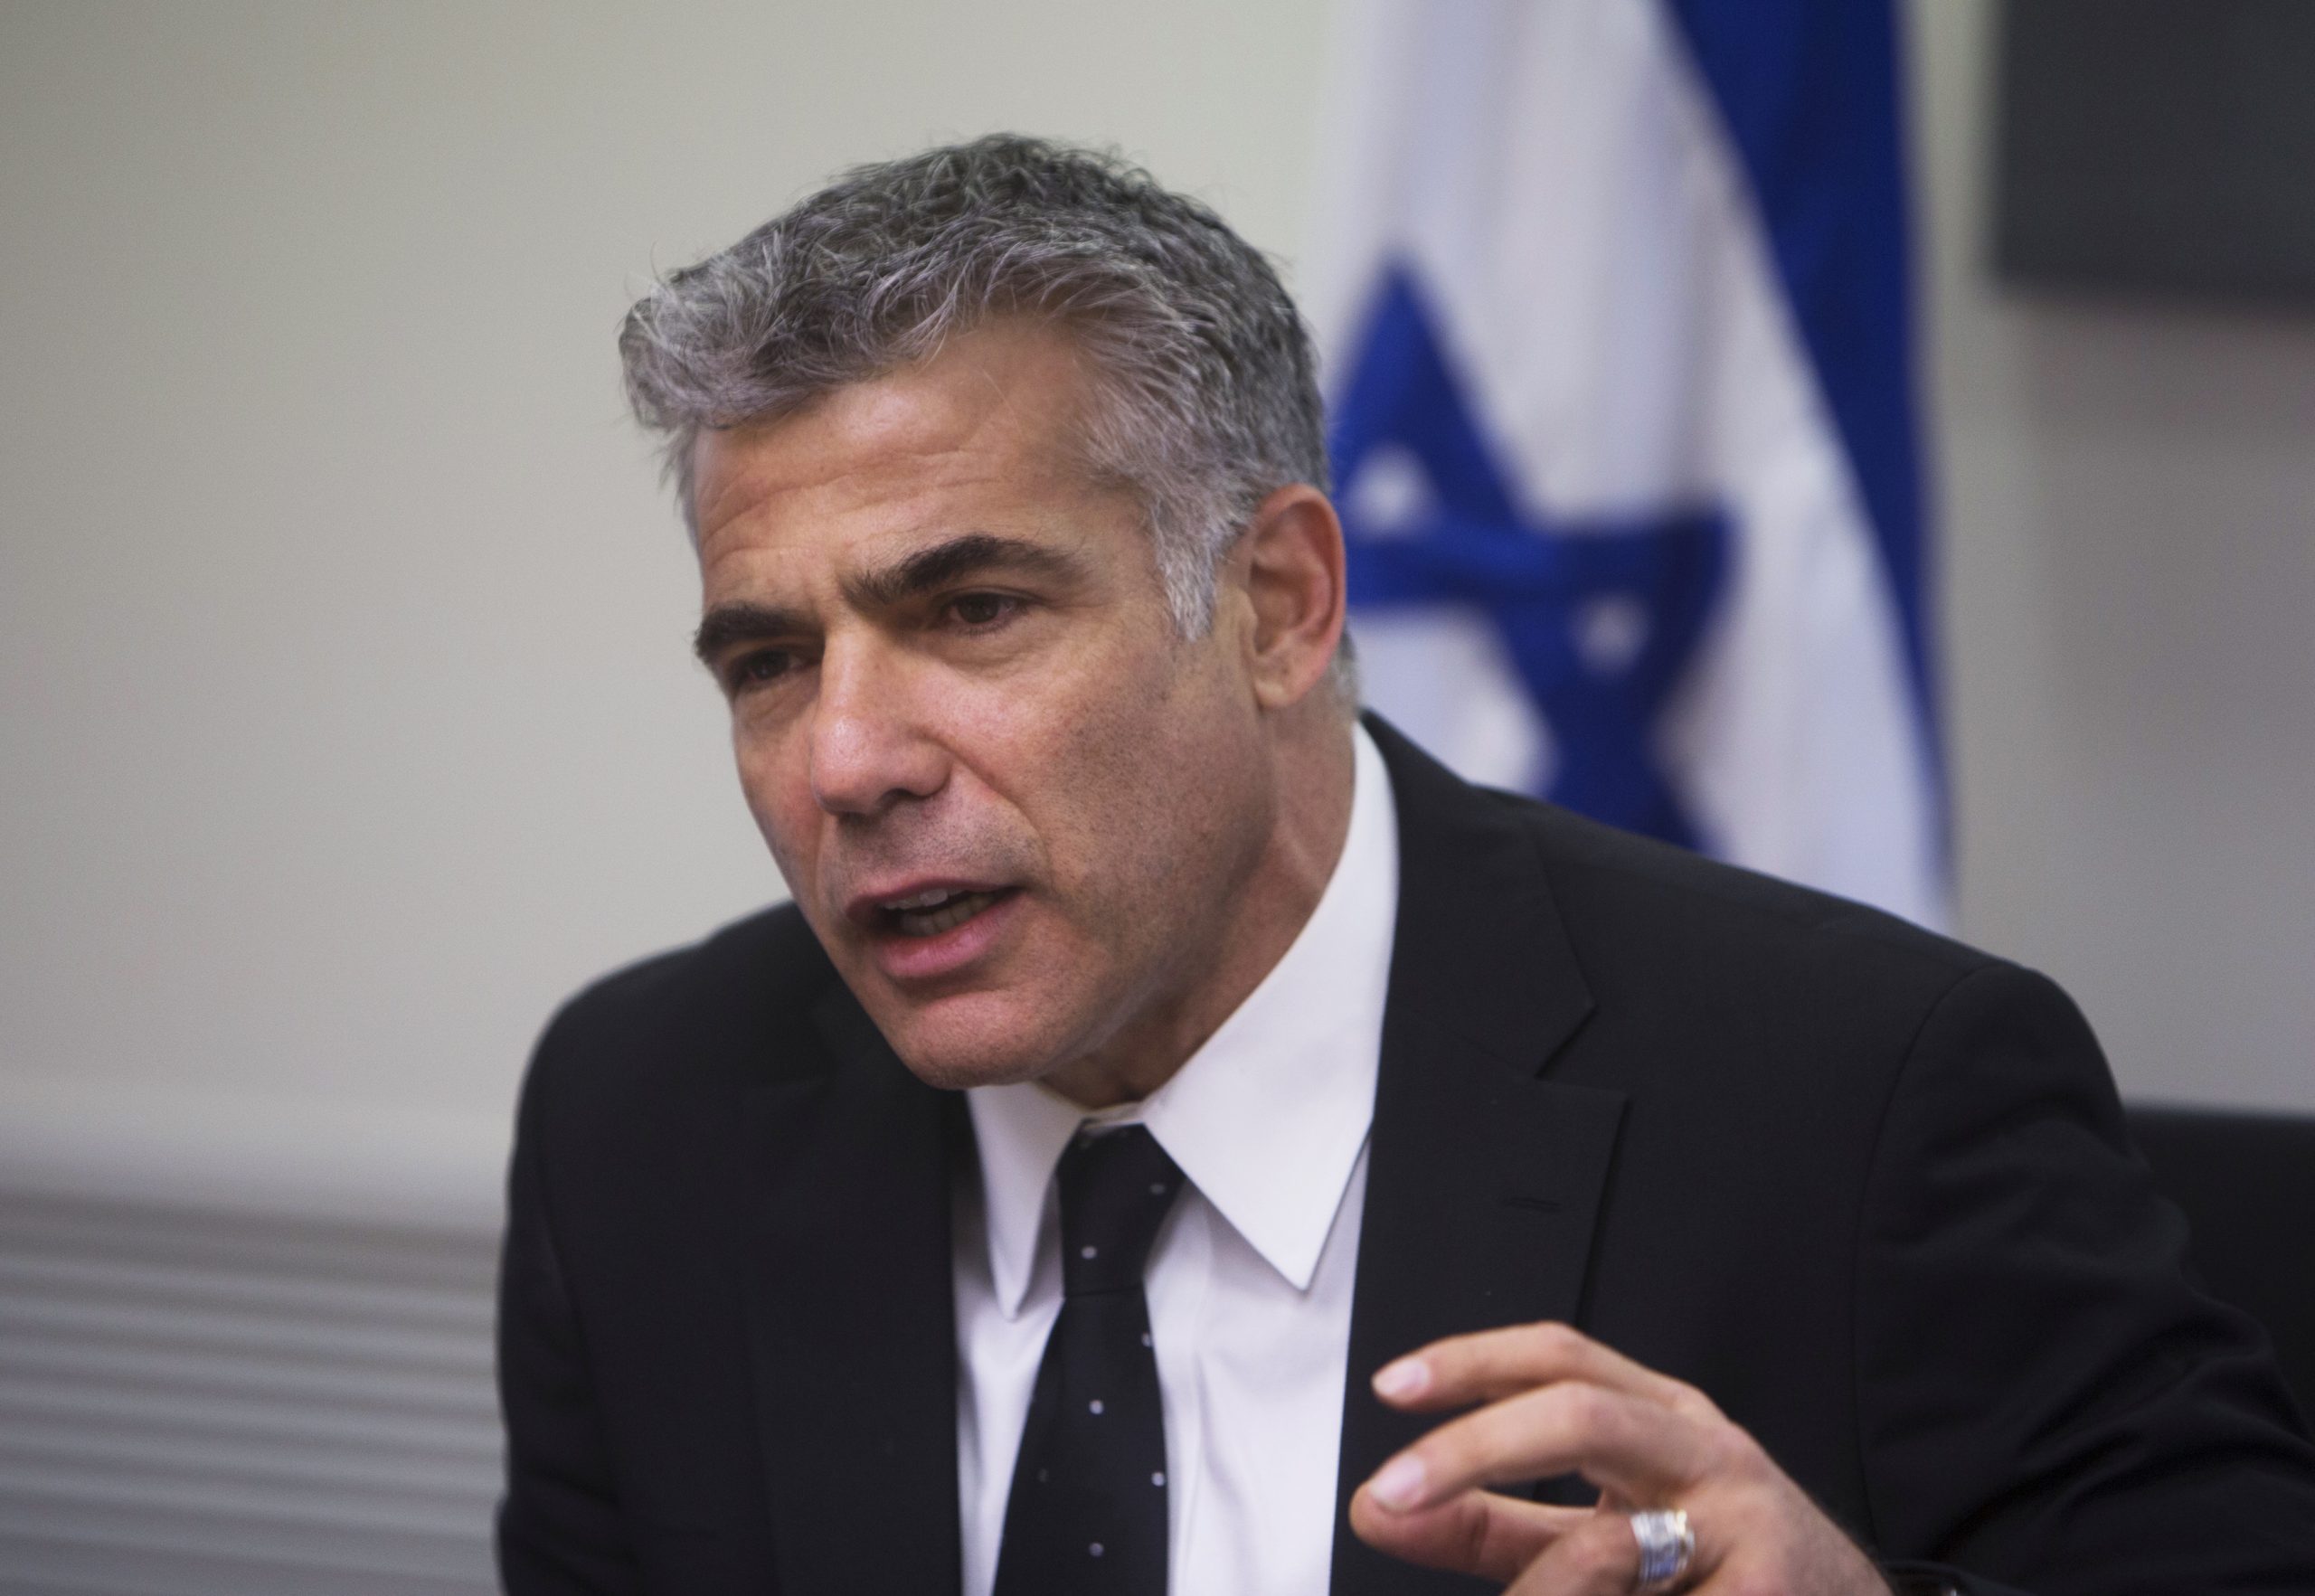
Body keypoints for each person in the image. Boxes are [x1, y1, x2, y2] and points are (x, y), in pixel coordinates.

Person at [496, 136, 2315, 1596]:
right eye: (767, 659)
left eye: (971, 609)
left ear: (1275, 606)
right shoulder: (644, 1116)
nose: (841, 758)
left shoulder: (1856, 1093)